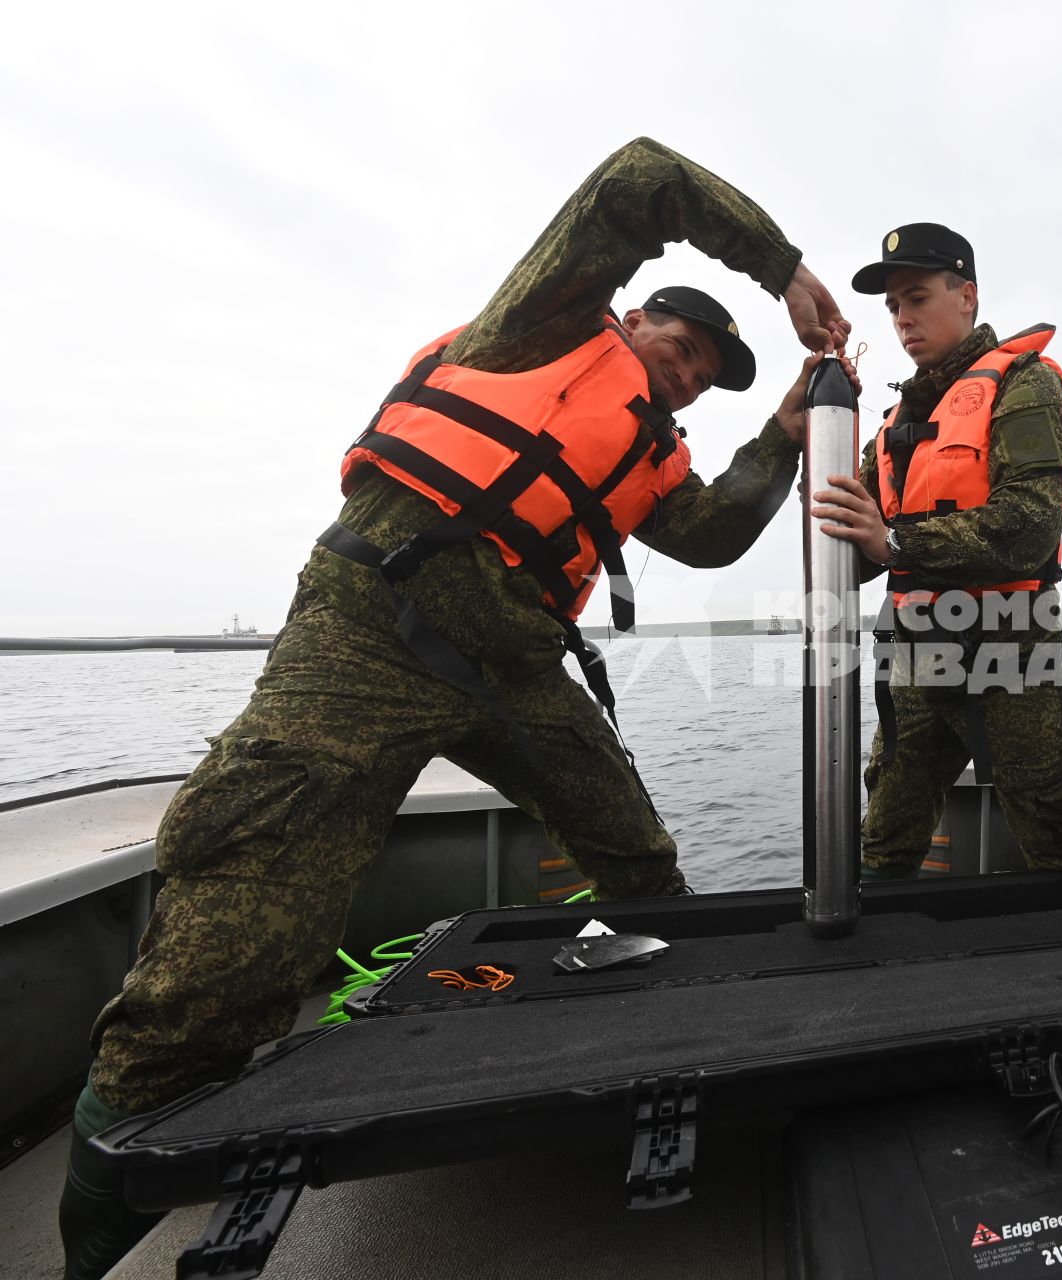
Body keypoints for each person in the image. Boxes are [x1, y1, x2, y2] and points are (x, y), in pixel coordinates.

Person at [61, 136, 849, 1280]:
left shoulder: (656, 454)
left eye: (701, 377)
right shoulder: (548, 320)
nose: (684, 378)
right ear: (631, 318)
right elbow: (639, 177)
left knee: (638, 855)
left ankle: (664, 1056)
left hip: (517, 661)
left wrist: (779, 434)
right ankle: (103, 1202)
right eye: (680, 350)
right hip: (372, 623)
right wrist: (778, 268)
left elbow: (717, 534)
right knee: (242, 924)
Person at [808, 223, 1062, 893]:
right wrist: (818, 425)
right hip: (914, 661)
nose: (903, 318)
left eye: (918, 297)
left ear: (967, 297)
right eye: (893, 305)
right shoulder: (893, 423)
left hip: (1010, 657)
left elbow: (1032, 527)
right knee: (883, 841)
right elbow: (855, 546)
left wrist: (897, 541)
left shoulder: (1026, 384)